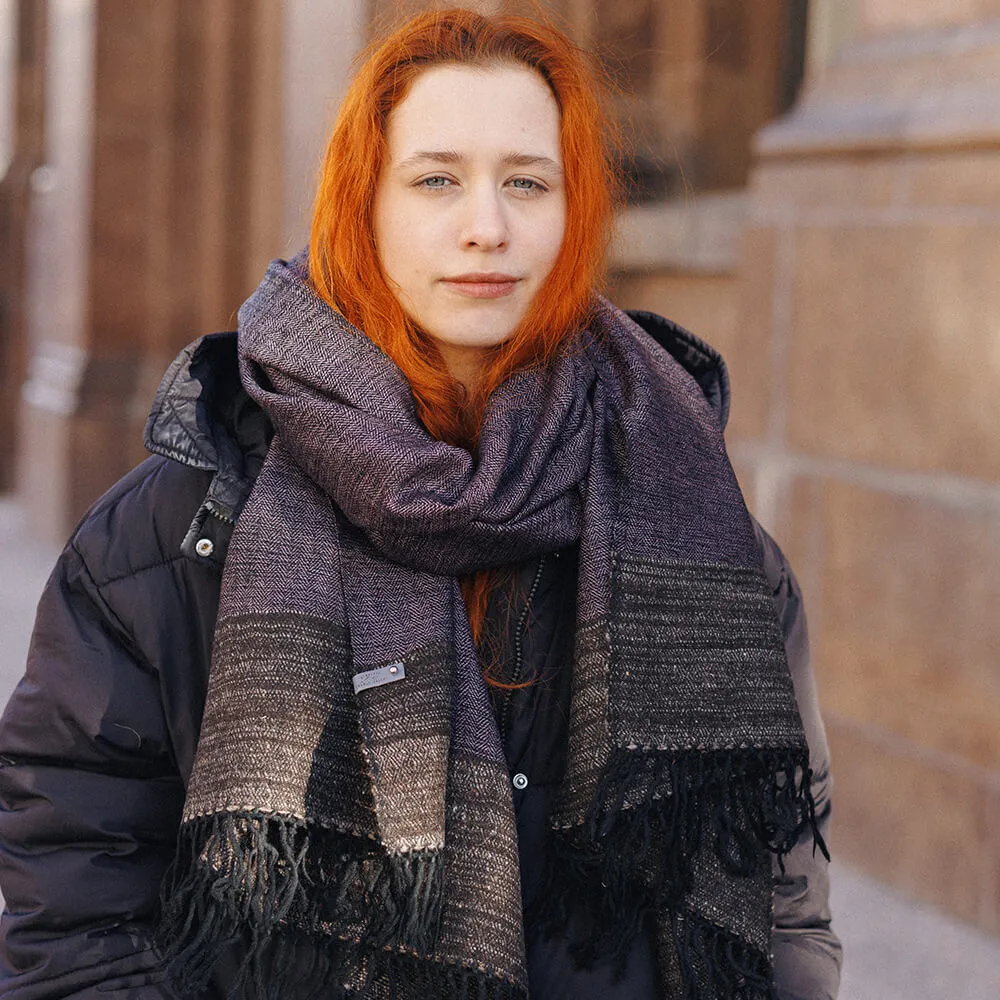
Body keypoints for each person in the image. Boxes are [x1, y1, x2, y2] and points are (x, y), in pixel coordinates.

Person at [0, 8, 842, 1000]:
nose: (487, 225)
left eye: (527, 182)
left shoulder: (687, 510)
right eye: (436, 179)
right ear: (363, 203)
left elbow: (778, 894)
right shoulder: (177, 531)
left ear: (575, 211)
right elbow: (78, 905)